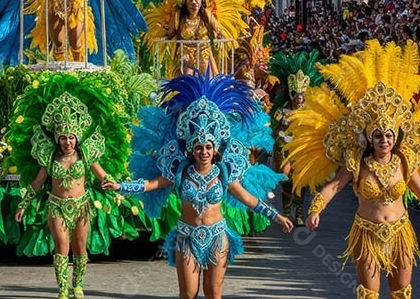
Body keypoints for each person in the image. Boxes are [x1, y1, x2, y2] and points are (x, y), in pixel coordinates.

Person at [286, 41, 420, 299]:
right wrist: (316, 209)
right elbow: (334, 186)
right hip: (367, 233)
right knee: (368, 295)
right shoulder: (357, 162)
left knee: (401, 294)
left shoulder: (405, 161)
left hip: (400, 232)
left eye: (388, 135)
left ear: (395, 137)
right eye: (378, 135)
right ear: (369, 139)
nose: (384, 140)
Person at [107, 73, 293, 299]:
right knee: (188, 293)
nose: (203, 152)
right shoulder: (180, 171)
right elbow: (152, 184)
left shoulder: (224, 173)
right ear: (191, 150)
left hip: (217, 236)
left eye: (207, 147)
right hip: (186, 237)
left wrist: (277, 217)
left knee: (213, 293)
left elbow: (249, 199)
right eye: (198, 148)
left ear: (215, 149)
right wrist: (121, 186)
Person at [15, 91, 112, 299]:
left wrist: (113, 184)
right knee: (61, 245)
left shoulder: (86, 154)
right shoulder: (49, 156)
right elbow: (38, 182)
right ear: (57, 139)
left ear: (76, 138)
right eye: (63, 138)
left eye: (71, 138)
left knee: (79, 246)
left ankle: (77, 285)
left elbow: (101, 174)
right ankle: (62, 289)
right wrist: (24, 204)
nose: (67, 142)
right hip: (57, 205)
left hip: (81, 205)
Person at [268, 50, 323, 225]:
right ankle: (285, 212)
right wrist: (281, 131)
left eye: (302, 95)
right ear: (291, 93)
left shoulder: (309, 112)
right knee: (286, 179)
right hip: (285, 149)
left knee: (300, 181)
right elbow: (272, 129)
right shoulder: (281, 111)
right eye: (296, 94)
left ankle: (299, 214)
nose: (299, 99)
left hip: (302, 151)